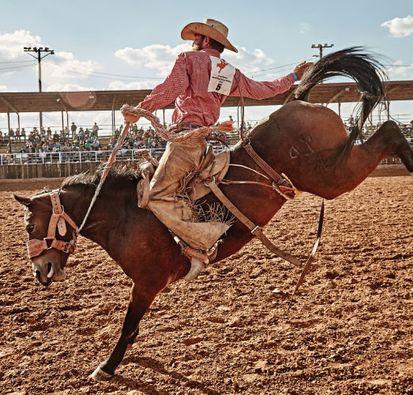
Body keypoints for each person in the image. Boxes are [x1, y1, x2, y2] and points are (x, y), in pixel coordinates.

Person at [124, 18, 312, 278]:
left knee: (155, 195)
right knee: (188, 191)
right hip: (202, 142)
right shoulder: (228, 71)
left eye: (197, 36)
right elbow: (262, 90)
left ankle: (199, 244)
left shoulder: (188, 59)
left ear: (205, 39)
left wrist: (141, 109)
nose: (193, 40)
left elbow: (171, 89)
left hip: (186, 140)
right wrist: (293, 76)